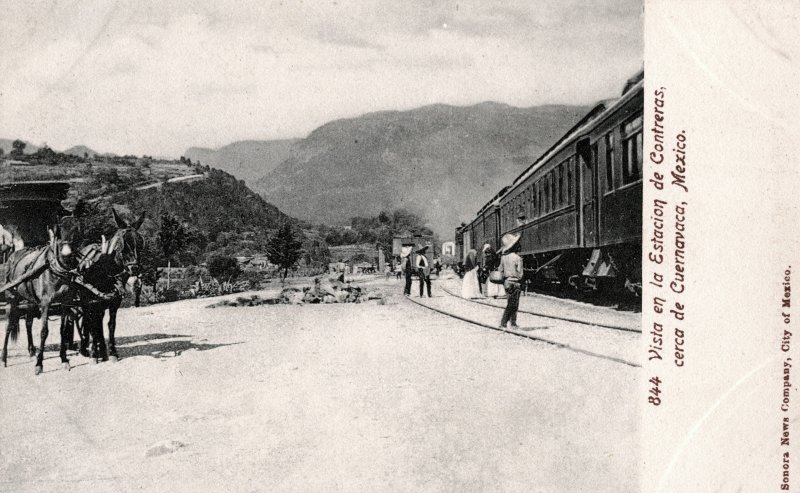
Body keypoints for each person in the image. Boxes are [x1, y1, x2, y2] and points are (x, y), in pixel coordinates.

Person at [497, 233, 523, 330]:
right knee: (514, 304)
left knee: (510, 302)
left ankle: (509, 323)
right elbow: (520, 273)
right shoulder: (518, 258)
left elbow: (500, 270)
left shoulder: (503, 258)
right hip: (515, 282)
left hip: (507, 283)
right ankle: (509, 323)